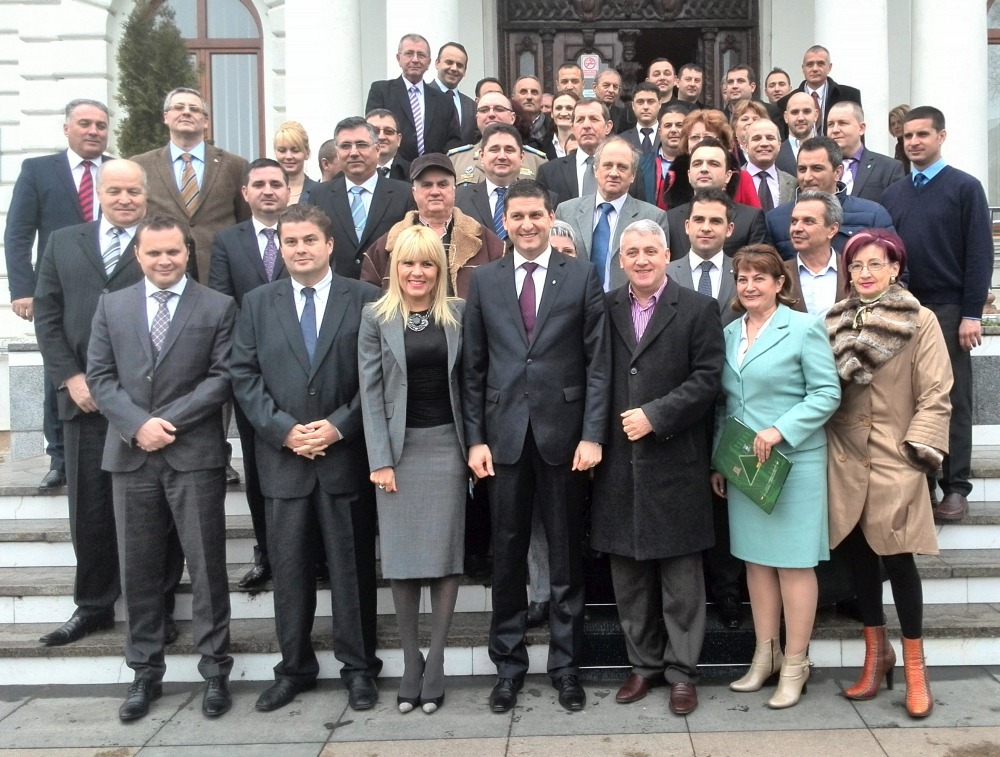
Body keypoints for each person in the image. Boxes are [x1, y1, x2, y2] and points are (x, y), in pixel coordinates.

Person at [462, 179, 610, 714]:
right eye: (517, 215)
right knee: (506, 556)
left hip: (566, 437)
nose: (526, 224)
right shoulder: (485, 280)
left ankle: (566, 666)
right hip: (501, 439)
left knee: (568, 555)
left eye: (535, 215)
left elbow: (599, 364)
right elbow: (473, 367)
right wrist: (474, 438)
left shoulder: (582, 275)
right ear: (505, 220)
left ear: (552, 217)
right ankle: (508, 665)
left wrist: (594, 434)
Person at [231, 203, 382, 713]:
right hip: (284, 462)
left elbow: (377, 378)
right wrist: (284, 431)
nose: (299, 249)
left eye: (308, 241)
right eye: (290, 241)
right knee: (290, 574)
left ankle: (359, 669)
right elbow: (244, 378)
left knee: (352, 572)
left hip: (344, 459)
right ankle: (293, 668)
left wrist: (338, 426)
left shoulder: (365, 298)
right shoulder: (256, 303)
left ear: (329, 244)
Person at [86, 211, 236, 721]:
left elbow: (221, 379)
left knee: (208, 568)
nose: (165, 260)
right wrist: (137, 425)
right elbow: (101, 378)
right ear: (138, 255)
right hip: (131, 458)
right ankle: (144, 673)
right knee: (140, 571)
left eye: (173, 251)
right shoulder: (113, 306)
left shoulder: (217, 306)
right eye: (154, 252)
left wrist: (163, 422)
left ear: (187, 252)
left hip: (193, 455)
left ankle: (216, 671)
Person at [592, 219, 723, 716]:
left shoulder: (697, 308)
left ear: (667, 253)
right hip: (618, 462)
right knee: (628, 573)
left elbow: (707, 379)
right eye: (633, 252)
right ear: (620, 260)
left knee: (681, 577)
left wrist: (656, 415)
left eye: (651, 250)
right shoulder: (604, 309)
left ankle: (683, 672)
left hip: (675, 458)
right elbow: (597, 374)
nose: (642, 259)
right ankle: (643, 665)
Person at [824, 229, 953, 718]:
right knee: (859, 562)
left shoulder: (920, 320)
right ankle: (876, 657)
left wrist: (915, 449)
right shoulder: (833, 320)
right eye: (856, 266)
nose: (865, 274)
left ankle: (917, 671)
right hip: (843, 456)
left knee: (899, 563)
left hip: (896, 456)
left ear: (895, 268)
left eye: (875, 264)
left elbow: (937, 392)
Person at [32, 160, 158, 647]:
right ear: (98, 194)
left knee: (151, 510)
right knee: (89, 508)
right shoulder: (64, 242)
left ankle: (157, 605)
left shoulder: (159, 241)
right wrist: (69, 377)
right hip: (82, 401)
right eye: (115, 191)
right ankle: (94, 605)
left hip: (142, 402)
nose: (125, 199)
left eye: (133, 191)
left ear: (146, 195)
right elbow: (47, 315)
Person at [711, 244, 840, 709]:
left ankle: (795, 662)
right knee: (755, 562)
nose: (749, 286)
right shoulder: (727, 334)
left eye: (759, 278)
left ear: (780, 283)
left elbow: (827, 392)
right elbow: (727, 405)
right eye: (742, 279)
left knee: (793, 563)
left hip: (794, 463)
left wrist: (781, 430)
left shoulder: (805, 328)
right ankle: (763, 657)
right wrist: (718, 461)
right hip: (746, 464)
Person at [359, 225, 466, 714]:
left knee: (444, 557)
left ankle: (437, 661)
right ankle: (409, 661)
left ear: (439, 270)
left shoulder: (458, 315)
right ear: (394, 268)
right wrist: (379, 459)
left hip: (447, 447)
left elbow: (471, 383)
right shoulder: (374, 318)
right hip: (397, 454)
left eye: (427, 264)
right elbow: (370, 392)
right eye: (408, 263)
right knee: (401, 562)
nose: (417, 273)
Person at [880, 106, 993, 522]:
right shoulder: (893, 194)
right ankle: (920, 484)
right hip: (903, 306)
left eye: (922, 135)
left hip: (948, 309)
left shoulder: (965, 187)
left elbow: (980, 254)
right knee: (905, 397)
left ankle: (956, 486)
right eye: (908, 136)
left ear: (941, 137)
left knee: (950, 396)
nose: (914, 143)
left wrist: (971, 314)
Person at [5, 98, 112, 489]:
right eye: (85, 123)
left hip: (109, 287)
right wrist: (23, 289)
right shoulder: (38, 170)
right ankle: (60, 458)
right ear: (66, 128)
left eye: (100, 125)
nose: (93, 131)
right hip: (57, 289)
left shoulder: (116, 171)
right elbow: (17, 233)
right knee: (60, 370)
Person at [208, 158, 292, 589]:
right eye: (258, 184)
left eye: (276, 183)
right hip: (254, 376)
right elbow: (225, 305)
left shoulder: (303, 233)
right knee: (259, 471)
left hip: (304, 372)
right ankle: (267, 553)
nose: (268, 190)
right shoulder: (229, 241)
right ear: (245, 193)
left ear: (289, 189)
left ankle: (308, 554)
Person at [666, 188, 742, 630]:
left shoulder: (745, 273)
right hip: (678, 403)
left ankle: (728, 590)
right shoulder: (666, 271)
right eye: (700, 220)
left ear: (729, 229)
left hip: (731, 404)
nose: (707, 228)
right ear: (686, 226)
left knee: (724, 502)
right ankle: (685, 593)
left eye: (716, 221)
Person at [131, 87, 251, 285]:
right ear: (166, 117)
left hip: (218, 271)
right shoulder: (141, 165)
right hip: (161, 270)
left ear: (205, 122)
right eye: (179, 107)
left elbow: (244, 219)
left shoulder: (235, 165)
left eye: (194, 109)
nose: (186, 112)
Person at [362, 152, 504, 299]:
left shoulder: (486, 241)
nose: (435, 192)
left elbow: (502, 296)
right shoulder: (388, 243)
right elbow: (369, 299)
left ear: (454, 190)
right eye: (427, 185)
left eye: (442, 184)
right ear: (414, 193)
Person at [554, 136, 669, 292]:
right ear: (595, 170)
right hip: (575, 304)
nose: (614, 173)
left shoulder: (654, 217)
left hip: (626, 308)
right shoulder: (566, 211)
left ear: (633, 175)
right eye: (607, 165)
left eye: (622, 167)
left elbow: (658, 272)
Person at [306, 117, 415, 279]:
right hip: (336, 295)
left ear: (377, 149)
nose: (354, 152)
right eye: (345, 146)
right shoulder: (319, 195)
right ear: (337, 152)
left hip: (386, 294)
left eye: (362, 145)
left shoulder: (404, 194)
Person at [767, 136, 895, 260]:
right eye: (802, 169)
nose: (807, 177)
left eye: (817, 168)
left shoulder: (873, 215)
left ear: (838, 172)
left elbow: (896, 268)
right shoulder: (774, 220)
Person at [364, 33, 462, 161]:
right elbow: (372, 132)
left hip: (432, 172)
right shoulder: (381, 91)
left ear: (429, 62)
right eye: (409, 54)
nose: (415, 60)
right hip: (394, 171)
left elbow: (453, 140)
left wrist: (437, 165)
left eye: (421, 55)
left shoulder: (443, 100)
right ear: (398, 58)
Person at [664, 138, 768, 258]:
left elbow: (758, 268)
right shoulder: (669, 218)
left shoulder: (751, 219)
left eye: (713, 164)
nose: (704, 169)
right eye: (697, 164)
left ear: (728, 176)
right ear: (689, 174)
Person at [662, 110, 761, 210]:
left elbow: (754, 218)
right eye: (694, 137)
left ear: (722, 142)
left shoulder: (742, 178)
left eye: (708, 137)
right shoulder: (673, 177)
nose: (701, 142)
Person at [450, 91, 547, 185]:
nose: (491, 114)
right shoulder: (456, 160)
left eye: (499, 109)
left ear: (512, 118)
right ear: (477, 118)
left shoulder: (536, 161)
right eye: (484, 110)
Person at [784, 190, 847, 318]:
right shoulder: (778, 273)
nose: (797, 228)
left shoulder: (853, 271)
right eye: (794, 221)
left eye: (808, 221)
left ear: (832, 229)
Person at [826, 102, 905, 203]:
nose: (835, 130)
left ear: (861, 128)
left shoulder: (889, 168)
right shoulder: (819, 167)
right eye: (830, 125)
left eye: (842, 123)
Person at [776, 45, 862, 135]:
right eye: (810, 64)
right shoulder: (785, 102)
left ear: (829, 67)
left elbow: (858, 131)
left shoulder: (849, 95)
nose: (815, 69)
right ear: (803, 68)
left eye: (820, 64)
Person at [638, 103, 687, 211]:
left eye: (679, 125)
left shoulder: (697, 164)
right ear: (660, 132)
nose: (673, 130)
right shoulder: (642, 164)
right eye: (668, 125)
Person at [744, 119, 797, 210]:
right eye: (756, 138)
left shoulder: (794, 183)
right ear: (746, 146)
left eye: (770, 138)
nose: (764, 143)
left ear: (779, 144)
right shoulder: (732, 181)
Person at [433, 42, 477, 145]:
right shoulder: (422, 97)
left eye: (460, 65)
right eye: (449, 62)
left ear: (465, 71)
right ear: (437, 63)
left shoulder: (472, 106)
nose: (454, 68)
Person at [273, 120, 317, 205]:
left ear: (307, 153)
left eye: (295, 150)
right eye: (282, 151)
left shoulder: (320, 192)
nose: (288, 156)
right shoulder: (267, 191)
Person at [776, 92, 819, 175]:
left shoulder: (828, 150)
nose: (800, 118)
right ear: (786, 117)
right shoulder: (775, 153)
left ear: (816, 115)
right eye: (795, 112)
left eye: (806, 111)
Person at [367, 109, 411, 182]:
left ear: (398, 139)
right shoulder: (349, 174)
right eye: (375, 131)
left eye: (389, 131)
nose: (381, 137)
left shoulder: (415, 174)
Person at [619, 83, 662, 156]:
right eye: (640, 102)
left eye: (651, 101)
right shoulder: (621, 140)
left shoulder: (668, 136)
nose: (645, 107)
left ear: (660, 104)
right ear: (633, 105)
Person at [542, 91, 578, 160]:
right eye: (558, 108)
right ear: (552, 113)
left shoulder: (587, 144)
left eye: (569, 108)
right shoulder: (542, 146)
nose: (563, 113)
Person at [888, 104, 911, 173]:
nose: (896, 126)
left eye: (900, 122)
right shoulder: (899, 146)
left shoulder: (912, 144)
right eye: (893, 124)